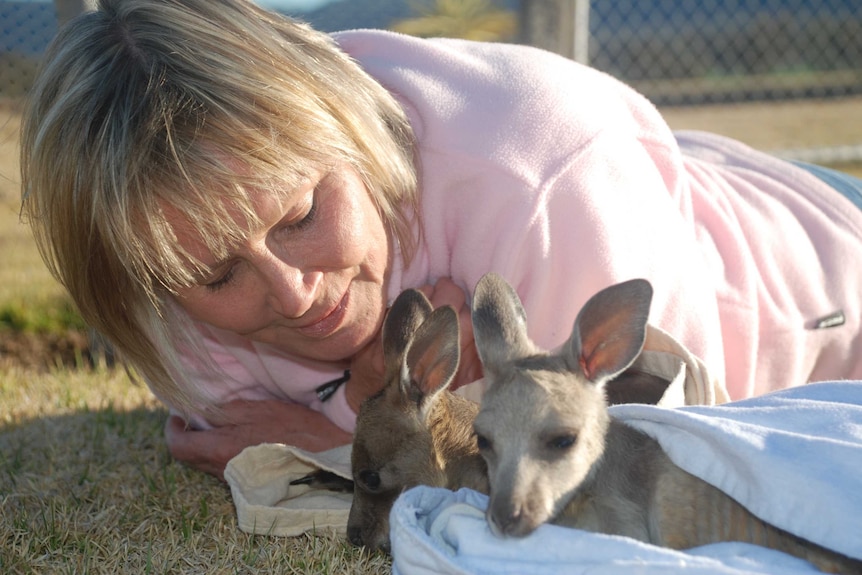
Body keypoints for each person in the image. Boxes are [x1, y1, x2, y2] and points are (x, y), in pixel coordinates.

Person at [20, 0, 862, 479]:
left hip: (816, 256)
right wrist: (395, 392)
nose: (292, 293)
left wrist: (343, 436)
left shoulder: (543, 182)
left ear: (347, 133)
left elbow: (640, 463)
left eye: (302, 216)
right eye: (217, 272)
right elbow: (213, 409)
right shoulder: (154, 247)